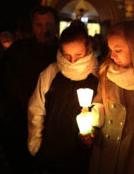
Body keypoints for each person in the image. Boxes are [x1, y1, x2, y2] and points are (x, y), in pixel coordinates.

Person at [0, 5, 59, 174]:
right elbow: (6, 83)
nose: (44, 29)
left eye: (48, 25)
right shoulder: (18, 51)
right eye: (39, 25)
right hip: (19, 123)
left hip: (52, 124)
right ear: (32, 26)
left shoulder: (63, 52)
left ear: (55, 25)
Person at [27, 23, 98, 173]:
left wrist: (91, 136)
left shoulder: (97, 75)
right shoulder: (51, 72)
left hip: (83, 155)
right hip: (52, 149)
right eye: (67, 55)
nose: (72, 61)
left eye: (78, 54)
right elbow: (36, 110)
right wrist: (36, 144)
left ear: (88, 48)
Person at [87, 21, 134, 174]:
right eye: (110, 49)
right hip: (107, 149)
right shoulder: (107, 73)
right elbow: (99, 104)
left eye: (118, 50)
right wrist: (89, 125)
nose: (113, 55)